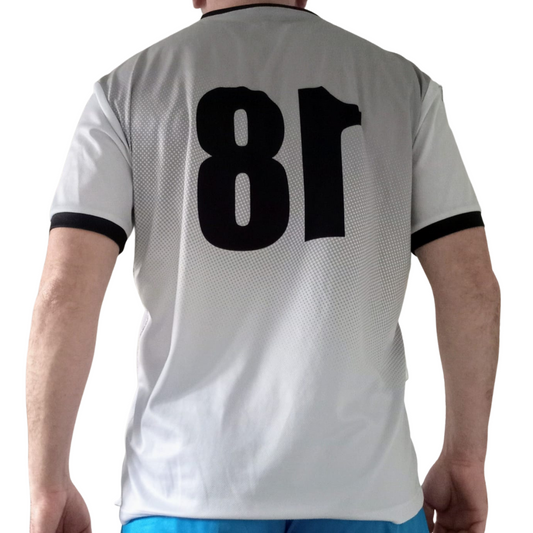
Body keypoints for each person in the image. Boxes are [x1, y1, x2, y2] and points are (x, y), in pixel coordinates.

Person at [26, 1, 500, 532]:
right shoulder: (403, 88)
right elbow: (472, 287)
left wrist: (48, 484)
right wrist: (465, 460)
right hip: (367, 489)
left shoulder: (127, 91)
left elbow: (65, 293)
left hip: (187, 489)